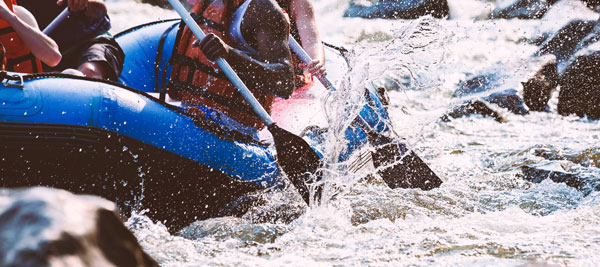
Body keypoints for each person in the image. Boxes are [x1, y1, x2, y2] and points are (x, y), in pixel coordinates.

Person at [167, 0, 295, 135]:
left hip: (234, 128)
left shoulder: (263, 8)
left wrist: (229, 54)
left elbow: (285, 83)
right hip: (191, 111)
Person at [16, 0, 125, 81]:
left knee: (89, 72)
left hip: (89, 42)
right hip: (46, 53)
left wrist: (84, 5)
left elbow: (100, 9)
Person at [0, 0, 61, 73]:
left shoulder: (17, 13)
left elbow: (54, 58)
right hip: (4, 83)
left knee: (71, 73)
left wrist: (10, 17)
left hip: (25, 83)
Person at [276, 0, 326, 89]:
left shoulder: (299, 3)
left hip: (295, 82)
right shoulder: (247, 4)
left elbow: (312, 42)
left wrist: (316, 62)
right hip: (258, 81)